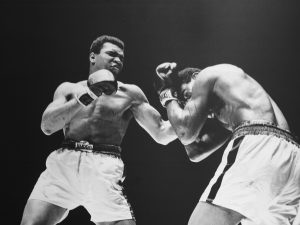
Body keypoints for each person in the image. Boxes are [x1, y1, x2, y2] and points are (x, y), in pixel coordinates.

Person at [20, 35, 177, 225]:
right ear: (92, 57)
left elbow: (162, 133)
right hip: (64, 166)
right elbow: (47, 126)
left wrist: (179, 100)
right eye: (111, 54)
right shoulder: (69, 88)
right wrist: (88, 96)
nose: (117, 60)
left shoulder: (130, 93)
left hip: (104, 169)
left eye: (121, 57)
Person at [155, 62, 300, 225]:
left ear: (196, 77)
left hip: (259, 148)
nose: (190, 105)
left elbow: (184, 133)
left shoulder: (207, 75)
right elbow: (195, 151)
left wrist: (167, 93)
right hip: (292, 160)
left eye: (188, 95)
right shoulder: (236, 109)